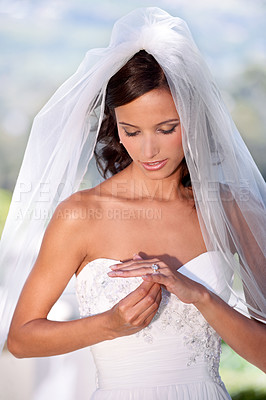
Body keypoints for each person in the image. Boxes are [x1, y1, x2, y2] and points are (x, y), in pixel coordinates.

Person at [0, 7, 265, 400]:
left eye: (166, 128)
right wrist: (110, 324)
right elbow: (21, 339)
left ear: (193, 120)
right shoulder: (81, 215)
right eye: (132, 131)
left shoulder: (231, 210)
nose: (149, 149)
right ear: (115, 126)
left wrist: (201, 297)